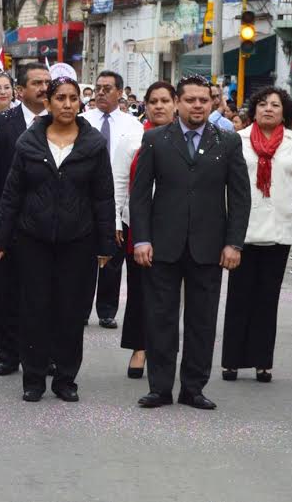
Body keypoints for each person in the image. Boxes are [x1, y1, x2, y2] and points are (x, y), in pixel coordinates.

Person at [130, 75, 251, 410]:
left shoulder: (227, 142)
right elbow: (140, 196)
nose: (197, 105)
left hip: (209, 247)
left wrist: (234, 243)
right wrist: (141, 239)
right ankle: (160, 387)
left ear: (211, 104)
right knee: (161, 318)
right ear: (178, 103)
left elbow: (240, 197)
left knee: (202, 320)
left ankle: (193, 388)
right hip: (162, 245)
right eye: (191, 100)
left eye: (203, 100)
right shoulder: (155, 139)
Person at [0, 76, 114, 402]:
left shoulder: (93, 145)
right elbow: (12, 192)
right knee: (34, 310)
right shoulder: (29, 142)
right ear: (48, 102)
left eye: (73, 98)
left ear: (80, 103)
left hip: (79, 240)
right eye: (60, 98)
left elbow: (103, 197)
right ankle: (33, 379)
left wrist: (106, 245)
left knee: (71, 312)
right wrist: (1, 238)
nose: (67, 104)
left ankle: (65, 379)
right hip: (33, 239)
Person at [220, 87, 292, 383]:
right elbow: (224, 187)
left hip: (280, 231)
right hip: (242, 232)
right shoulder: (237, 140)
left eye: (275, 105)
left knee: (266, 300)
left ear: (284, 111)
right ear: (254, 109)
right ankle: (232, 361)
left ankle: (263, 362)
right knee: (239, 297)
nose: (268, 109)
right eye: (262, 104)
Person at [0, 63, 50, 375]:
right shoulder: (0, 123)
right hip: (8, 219)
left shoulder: (63, 122)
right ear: (21, 90)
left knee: (44, 293)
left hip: (48, 221)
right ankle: (8, 354)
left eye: (47, 82)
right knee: (6, 289)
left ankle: (44, 355)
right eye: (36, 83)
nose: (44, 88)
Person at [111, 81, 176, 379]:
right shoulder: (132, 137)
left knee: (170, 294)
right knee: (140, 290)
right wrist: (115, 222)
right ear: (146, 105)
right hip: (137, 224)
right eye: (154, 101)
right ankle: (140, 348)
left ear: (176, 103)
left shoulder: (185, 137)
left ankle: (165, 350)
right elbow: (118, 183)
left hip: (176, 227)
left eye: (165, 100)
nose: (159, 106)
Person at [83, 70, 144, 330]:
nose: (101, 93)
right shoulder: (82, 121)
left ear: (120, 93)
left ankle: (107, 310)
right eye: (98, 88)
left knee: (113, 256)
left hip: (116, 197)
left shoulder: (133, 125)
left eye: (107, 88)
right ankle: (80, 308)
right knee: (84, 257)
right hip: (85, 196)